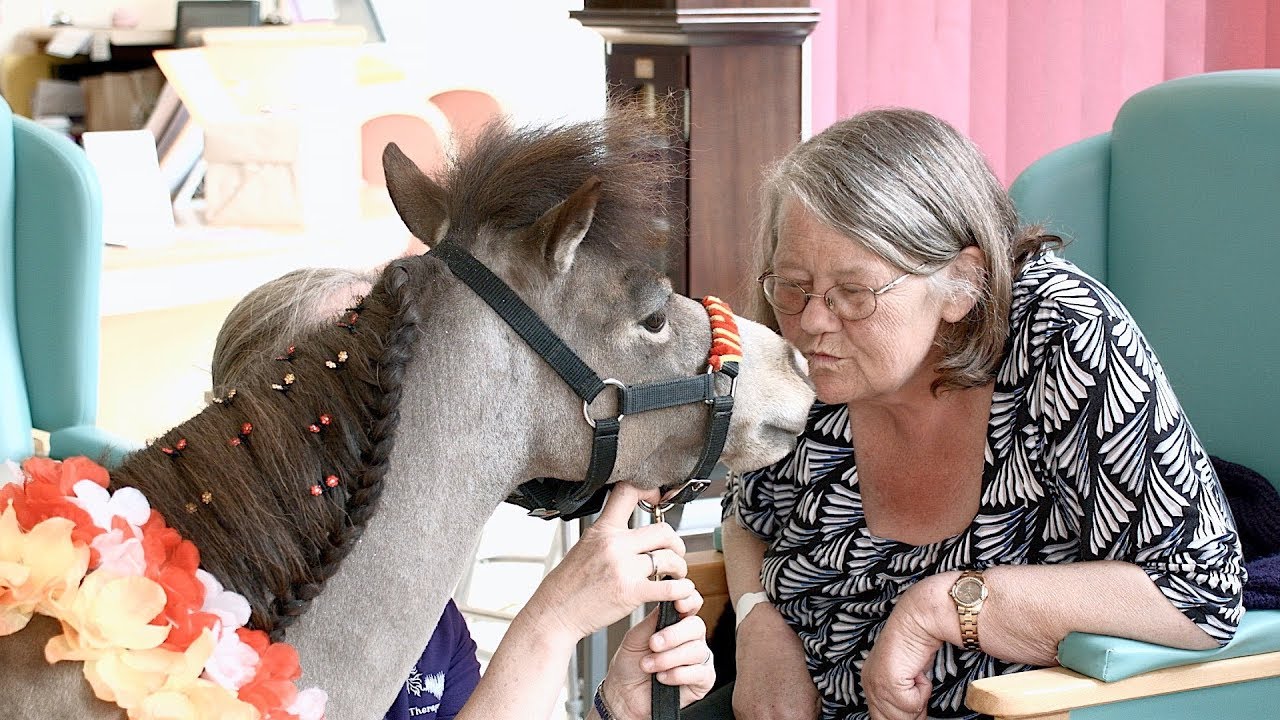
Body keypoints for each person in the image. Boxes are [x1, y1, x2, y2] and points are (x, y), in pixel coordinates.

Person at [695, 108, 1245, 720]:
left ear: (960, 284)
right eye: (792, 283)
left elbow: (1197, 594)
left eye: (855, 293)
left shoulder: (1062, 336)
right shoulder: (799, 345)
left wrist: (943, 605)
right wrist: (755, 619)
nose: (813, 320)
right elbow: (747, 509)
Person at [212, 268, 716, 720]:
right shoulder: (206, 623)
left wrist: (618, 710)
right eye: (371, 384)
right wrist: (553, 622)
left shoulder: (427, 612)